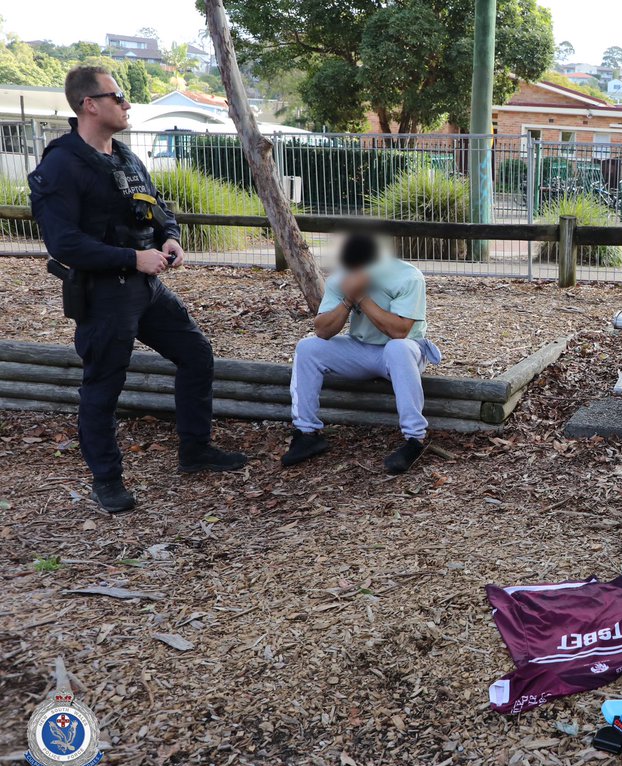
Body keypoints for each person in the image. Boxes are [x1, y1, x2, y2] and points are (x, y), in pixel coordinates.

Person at [28, 66, 246, 514]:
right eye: (118, 97)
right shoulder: (62, 164)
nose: (127, 105)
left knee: (196, 354)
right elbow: (64, 243)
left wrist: (170, 237)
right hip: (106, 293)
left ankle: (195, 450)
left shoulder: (124, 156)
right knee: (104, 385)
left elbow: (156, 207)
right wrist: (130, 258)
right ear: (90, 104)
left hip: (146, 287)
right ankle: (106, 480)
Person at [283, 233, 441, 473]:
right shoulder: (342, 279)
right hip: (362, 349)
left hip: (405, 352)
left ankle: (414, 439)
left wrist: (362, 297)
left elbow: (399, 331)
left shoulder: (409, 277)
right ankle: (307, 433)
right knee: (308, 347)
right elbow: (323, 331)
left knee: (397, 348)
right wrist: (348, 300)